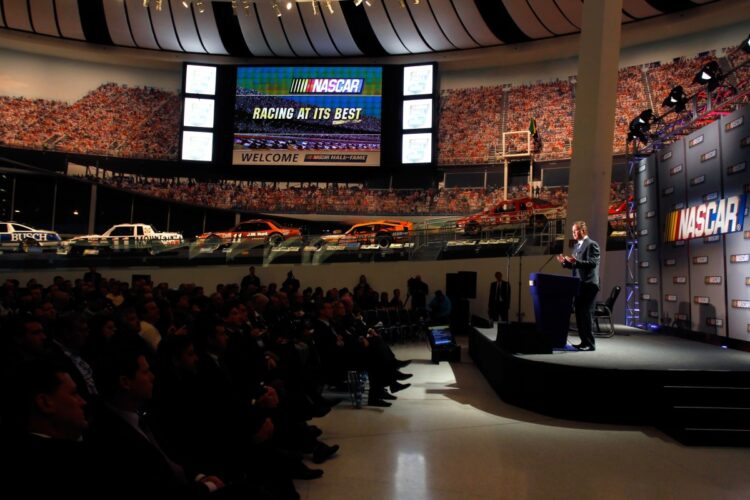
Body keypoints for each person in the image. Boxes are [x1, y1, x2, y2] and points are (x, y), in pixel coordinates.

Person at [556, 220, 600, 351]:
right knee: (580, 314)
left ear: (583, 231)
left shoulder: (592, 244)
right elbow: (576, 266)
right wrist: (565, 263)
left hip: (589, 284)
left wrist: (576, 261)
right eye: (572, 231)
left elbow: (592, 263)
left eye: (575, 231)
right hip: (579, 284)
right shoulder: (577, 246)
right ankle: (583, 342)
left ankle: (590, 344)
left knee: (585, 314)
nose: (573, 233)